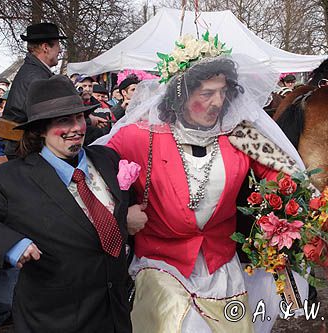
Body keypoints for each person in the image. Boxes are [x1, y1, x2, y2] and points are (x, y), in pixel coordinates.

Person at [98, 34, 308, 332]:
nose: (217, 102)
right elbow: (91, 173)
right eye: (207, 93)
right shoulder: (140, 136)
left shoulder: (240, 134)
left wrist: (284, 218)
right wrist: (123, 214)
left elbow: (287, 178)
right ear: (181, 94)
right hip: (162, 262)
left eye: (222, 92)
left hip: (220, 264)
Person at [0, 75, 132, 332]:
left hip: (114, 315)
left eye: (79, 117)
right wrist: (10, 245)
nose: (76, 127)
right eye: (64, 120)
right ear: (40, 129)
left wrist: (128, 213)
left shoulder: (107, 159)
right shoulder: (11, 179)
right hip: (54, 320)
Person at [2, 22, 66, 159]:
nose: (60, 50)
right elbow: (52, 115)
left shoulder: (33, 71)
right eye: (58, 45)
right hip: (26, 150)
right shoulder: (37, 77)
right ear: (45, 47)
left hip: (22, 146)